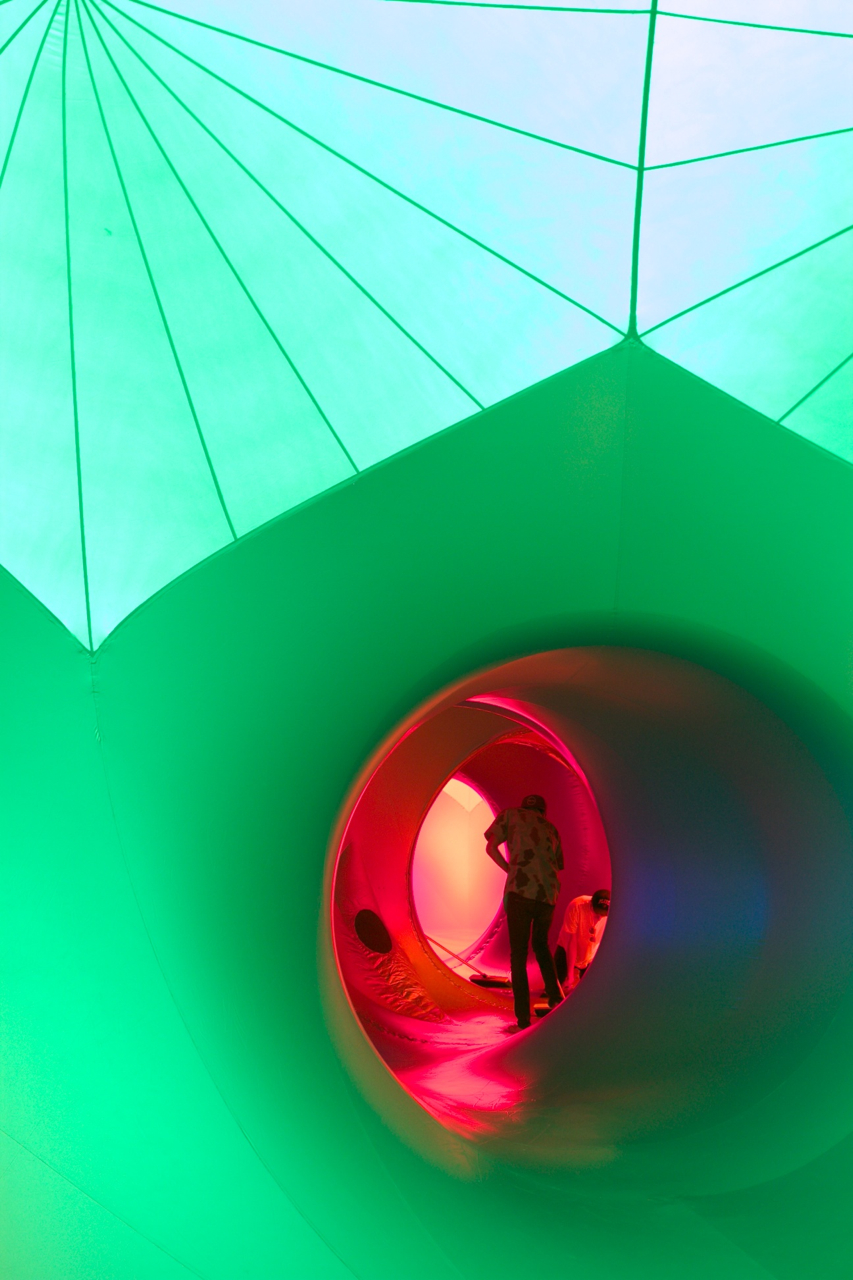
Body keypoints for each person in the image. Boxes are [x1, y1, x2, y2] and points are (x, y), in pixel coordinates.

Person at [484, 795, 564, 1029]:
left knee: (518, 955)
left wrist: (510, 870)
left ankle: (523, 1019)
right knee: (541, 945)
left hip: (520, 892)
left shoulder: (510, 815)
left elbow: (490, 848)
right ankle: (556, 998)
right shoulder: (551, 828)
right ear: (543, 811)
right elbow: (557, 865)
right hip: (548, 895)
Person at [555, 889, 610, 989]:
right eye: (597, 913)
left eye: (603, 915)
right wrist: (570, 974)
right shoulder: (577, 906)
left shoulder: (614, 914)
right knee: (555, 985)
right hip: (567, 947)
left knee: (590, 988)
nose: (599, 918)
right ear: (591, 905)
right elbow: (572, 941)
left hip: (591, 952)